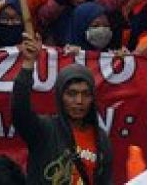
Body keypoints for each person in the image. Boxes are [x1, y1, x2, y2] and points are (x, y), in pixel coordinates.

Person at [12, 33, 113, 184]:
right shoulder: (44, 130)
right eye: (72, 94)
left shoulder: (101, 140)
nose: (79, 101)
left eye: (85, 94)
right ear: (60, 97)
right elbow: (19, 110)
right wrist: (28, 63)